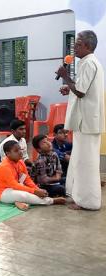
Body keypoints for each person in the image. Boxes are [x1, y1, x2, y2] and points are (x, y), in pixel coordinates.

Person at [56, 31, 104, 210]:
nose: (74, 47)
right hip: (85, 122)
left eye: (78, 44)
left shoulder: (89, 63)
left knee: (87, 163)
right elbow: (82, 89)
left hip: (87, 122)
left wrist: (64, 75)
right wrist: (68, 88)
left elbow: (82, 92)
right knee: (81, 160)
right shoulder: (88, 62)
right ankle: (80, 197)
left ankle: (88, 202)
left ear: (88, 46)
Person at [0, 141, 66, 211]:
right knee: (23, 195)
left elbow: (27, 179)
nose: (20, 152)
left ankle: (18, 202)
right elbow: (14, 185)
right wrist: (34, 191)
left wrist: (38, 189)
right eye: (16, 151)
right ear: (8, 154)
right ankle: (51, 201)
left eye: (20, 149)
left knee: (27, 192)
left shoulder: (21, 162)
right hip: (2, 192)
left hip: (15, 188)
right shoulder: (4, 166)